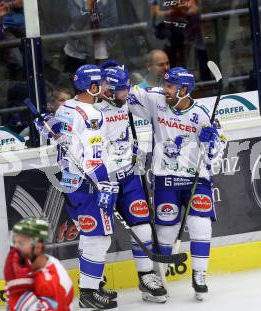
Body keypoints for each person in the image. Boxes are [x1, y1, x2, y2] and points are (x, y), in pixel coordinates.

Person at [127, 67, 226, 300]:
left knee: (201, 226)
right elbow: (126, 96)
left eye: (170, 86)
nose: (166, 89)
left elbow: (219, 148)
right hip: (165, 180)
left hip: (196, 179)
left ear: (184, 89)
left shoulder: (202, 114)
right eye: (165, 84)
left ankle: (199, 275)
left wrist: (210, 142)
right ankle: (156, 281)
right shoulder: (156, 101)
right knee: (166, 232)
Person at [34, 64, 119, 310]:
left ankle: (92, 285)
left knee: (88, 233)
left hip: (69, 182)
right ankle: (89, 293)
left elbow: (55, 131)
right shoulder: (93, 115)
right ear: (92, 87)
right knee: (98, 238)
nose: (105, 87)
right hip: (88, 183)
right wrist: (104, 184)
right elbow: (92, 158)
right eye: (102, 83)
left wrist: (46, 124)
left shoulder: (66, 107)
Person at [96, 64, 167, 303]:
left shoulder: (128, 99)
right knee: (97, 236)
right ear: (108, 90)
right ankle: (95, 283)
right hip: (100, 181)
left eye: (127, 87)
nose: (128, 92)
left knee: (143, 226)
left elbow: (158, 101)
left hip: (129, 176)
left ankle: (146, 276)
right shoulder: (91, 108)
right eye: (122, 89)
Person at [4, 217, 74, 310]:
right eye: (15, 243)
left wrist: (18, 294)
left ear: (38, 247)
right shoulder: (30, 265)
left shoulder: (51, 282)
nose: (15, 249)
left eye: (21, 244)